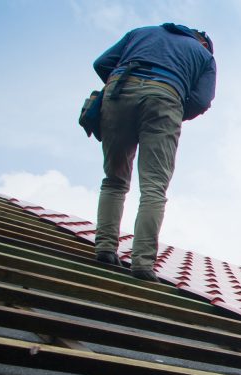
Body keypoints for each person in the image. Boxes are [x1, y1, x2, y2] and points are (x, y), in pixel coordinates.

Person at [91, 23, 216, 282]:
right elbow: (202, 100)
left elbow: (102, 63)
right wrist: (175, 106)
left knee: (114, 180)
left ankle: (104, 248)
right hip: (165, 99)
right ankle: (142, 263)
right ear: (203, 42)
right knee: (154, 187)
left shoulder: (140, 32)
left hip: (118, 91)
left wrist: (123, 87)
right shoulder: (204, 56)